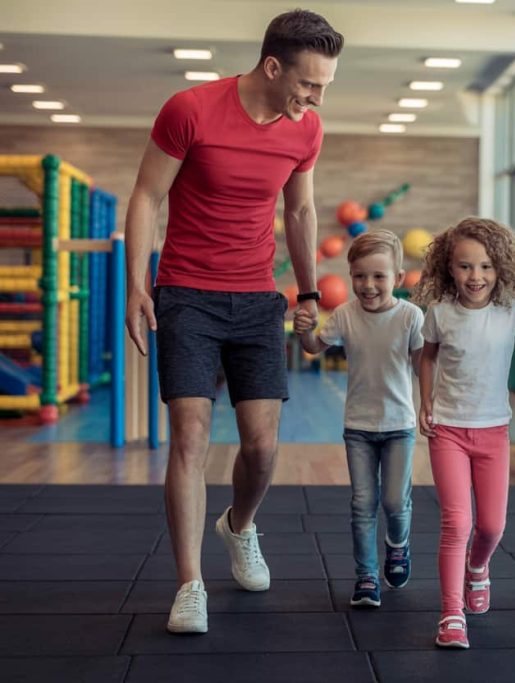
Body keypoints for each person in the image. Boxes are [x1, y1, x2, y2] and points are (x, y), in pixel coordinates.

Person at [123, 10, 343, 635]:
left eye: (325, 85)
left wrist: (305, 292)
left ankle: (239, 526)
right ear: (273, 68)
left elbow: (299, 211)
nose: (317, 98)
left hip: (255, 299)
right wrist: (140, 286)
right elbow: (145, 195)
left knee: (263, 446)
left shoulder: (306, 130)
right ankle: (190, 583)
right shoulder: (190, 109)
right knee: (190, 438)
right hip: (186, 293)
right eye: (309, 84)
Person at [415, 218, 515, 649]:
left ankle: (477, 568)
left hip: (493, 434)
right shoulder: (440, 313)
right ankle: (450, 614)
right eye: (465, 267)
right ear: (449, 268)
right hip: (447, 430)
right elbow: (427, 358)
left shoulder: (510, 315)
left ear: (499, 269)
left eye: (484, 267)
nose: (475, 277)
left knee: (492, 527)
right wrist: (425, 401)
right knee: (457, 522)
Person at [292, 229, 424, 608]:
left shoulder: (410, 317)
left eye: (379, 276)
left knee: (396, 502)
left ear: (398, 279)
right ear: (350, 276)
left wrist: (432, 401)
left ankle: (397, 546)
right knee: (362, 503)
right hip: (359, 429)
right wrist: (304, 332)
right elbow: (316, 348)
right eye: (360, 276)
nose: (368, 285)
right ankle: (366, 576)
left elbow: (421, 367)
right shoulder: (346, 316)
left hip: (399, 425)